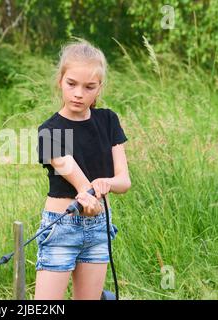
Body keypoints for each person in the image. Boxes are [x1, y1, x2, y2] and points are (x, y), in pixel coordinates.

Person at [34, 39, 131, 300]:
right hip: (62, 225)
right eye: (72, 84)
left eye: (89, 87)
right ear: (60, 81)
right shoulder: (49, 131)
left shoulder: (109, 121)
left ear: (99, 88)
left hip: (99, 227)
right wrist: (91, 192)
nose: (79, 93)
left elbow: (124, 181)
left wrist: (107, 184)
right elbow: (79, 183)